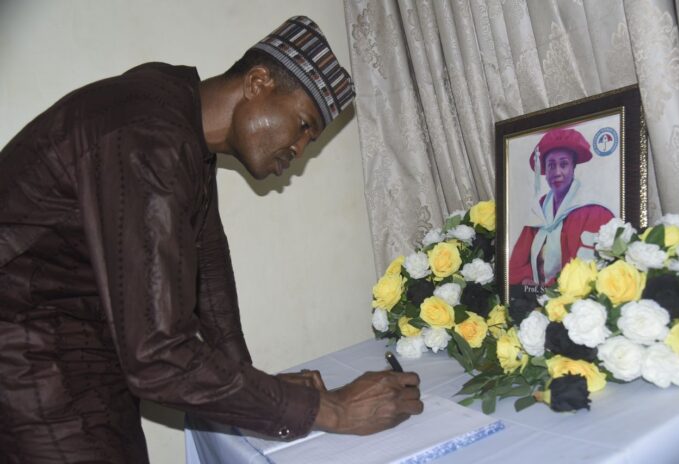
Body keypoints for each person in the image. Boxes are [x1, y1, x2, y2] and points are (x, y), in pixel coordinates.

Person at [0, 16, 422, 463]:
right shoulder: (151, 137)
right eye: (302, 125)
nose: (299, 151)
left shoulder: (178, 118)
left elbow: (208, 273)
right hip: (25, 351)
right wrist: (330, 410)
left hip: (78, 341)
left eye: (310, 141)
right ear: (258, 82)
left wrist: (256, 381)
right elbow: (158, 358)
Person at [509, 127, 614, 287]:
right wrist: (532, 276)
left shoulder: (593, 211)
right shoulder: (541, 208)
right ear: (544, 170)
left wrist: (546, 285)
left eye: (563, 164)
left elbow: (586, 272)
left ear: (573, 168)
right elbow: (515, 266)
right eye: (551, 165)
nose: (557, 172)